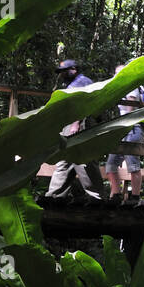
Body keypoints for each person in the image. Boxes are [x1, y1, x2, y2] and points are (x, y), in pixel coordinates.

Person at [45, 59, 98, 203]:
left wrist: (76, 123)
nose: (62, 74)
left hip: (80, 124)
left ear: (74, 69)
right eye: (61, 72)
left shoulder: (82, 81)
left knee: (83, 159)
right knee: (65, 159)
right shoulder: (70, 84)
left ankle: (95, 197)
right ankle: (54, 196)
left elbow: (84, 104)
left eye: (64, 71)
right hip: (69, 124)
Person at [105, 63, 144, 206]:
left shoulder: (132, 87)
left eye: (120, 72)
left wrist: (125, 124)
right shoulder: (120, 89)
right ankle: (116, 194)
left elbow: (130, 107)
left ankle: (135, 197)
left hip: (133, 128)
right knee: (111, 165)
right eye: (116, 73)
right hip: (121, 129)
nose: (117, 75)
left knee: (133, 164)